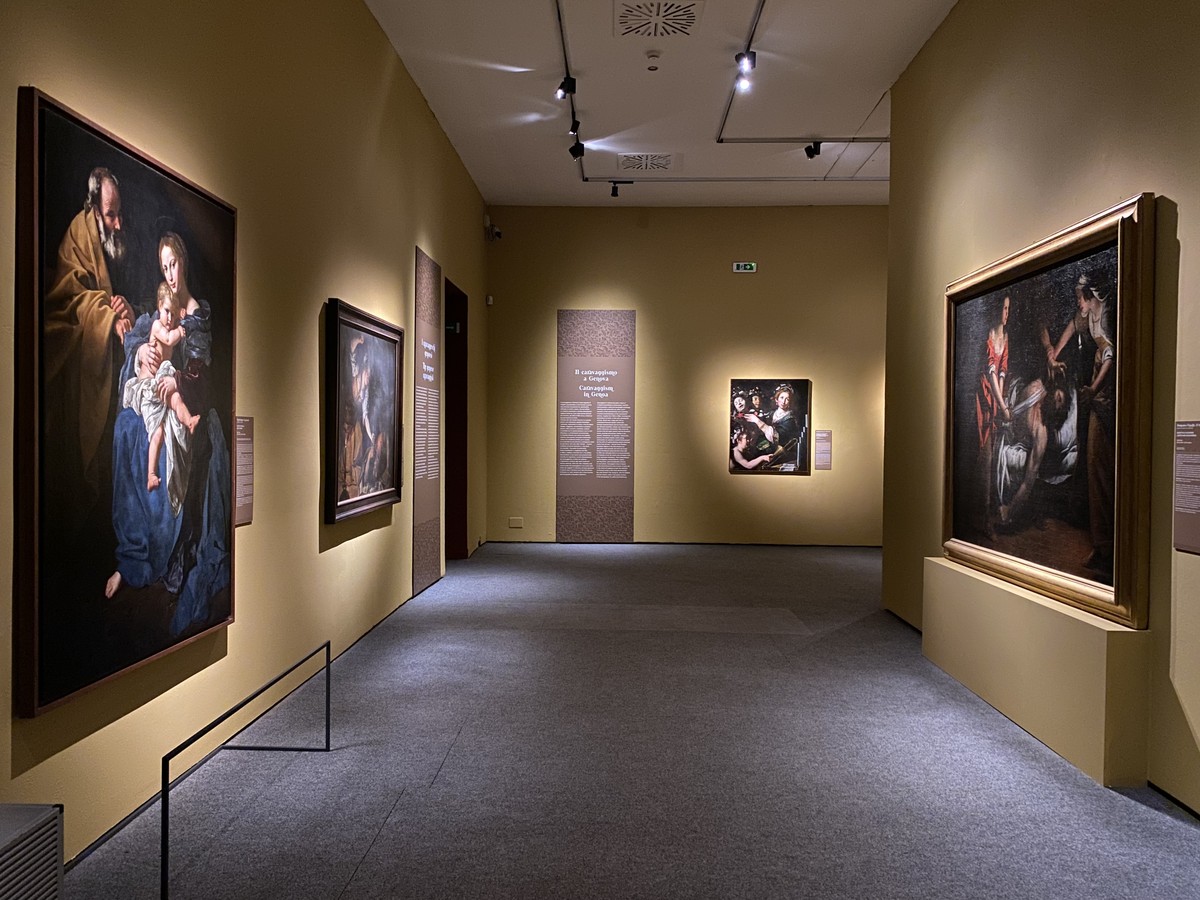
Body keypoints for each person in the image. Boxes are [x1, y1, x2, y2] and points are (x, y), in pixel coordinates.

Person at [108, 232, 230, 634]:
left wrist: (177, 381)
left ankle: (165, 555)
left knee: (170, 440)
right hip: (155, 398)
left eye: (173, 264)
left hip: (187, 407)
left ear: (184, 261)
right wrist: (139, 352)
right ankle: (134, 555)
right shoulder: (161, 308)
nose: (170, 274)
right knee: (126, 427)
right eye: (164, 267)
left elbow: (201, 376)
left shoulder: (196, 316)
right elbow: (139, 339)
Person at [43, 167, 136, 529]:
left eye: (119, 214)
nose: (117, 223)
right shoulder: (78, 235)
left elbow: (126, 299)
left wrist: (125, 309)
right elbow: (67, 302)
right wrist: (107, 317)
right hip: (77, 366)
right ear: (94, 209)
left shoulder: (116, 245)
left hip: (110, 365)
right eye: (111, 215)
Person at [1047, 272, 1116, 571]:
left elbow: (1110, 356)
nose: (1077, 302)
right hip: (1097, 395)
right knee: (1092, 464)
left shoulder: (1106, 316)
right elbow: (1072, 326)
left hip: (1106, 397)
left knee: (1100, 464)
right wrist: (1054, 352)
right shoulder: (1089, 313)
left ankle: (1106, 548)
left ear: (1089, 295)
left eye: (1079, 297)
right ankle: (1102, 543)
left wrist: (1093, 390)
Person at [121, 283, 199, 501]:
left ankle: (189, 421)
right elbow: (169, 338)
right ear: (158, 307)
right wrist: (181, 330)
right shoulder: (157, 326)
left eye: (174, 314)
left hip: (159, 384)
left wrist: (181, 318)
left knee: (176, 397)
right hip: (147, 389)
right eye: (166, 312)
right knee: (158, 432)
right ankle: (151, 475)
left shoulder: (172, 322)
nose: (169, 318)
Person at [996, 368, 1074, 528]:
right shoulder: (1037, 388)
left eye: (1060, 406)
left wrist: (1009, 511)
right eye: (1059, 397)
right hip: (1004, 411)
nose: (1057, 404)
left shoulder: (1041, 432)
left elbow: (1028, 481)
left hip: (1011, 435)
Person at [975, 295, 1012, 532]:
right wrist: (1003, 407)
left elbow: (1001, 373)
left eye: (1008, 309)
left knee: (995, 454)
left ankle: (990, 510)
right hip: (983, 398)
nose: (1006, 313)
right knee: (984, 454)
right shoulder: (988, 336)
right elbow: (990, 375)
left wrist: (1002, 405)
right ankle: (983, 515)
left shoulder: (1005, 337)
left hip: (996, 398)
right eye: (1004, 308)